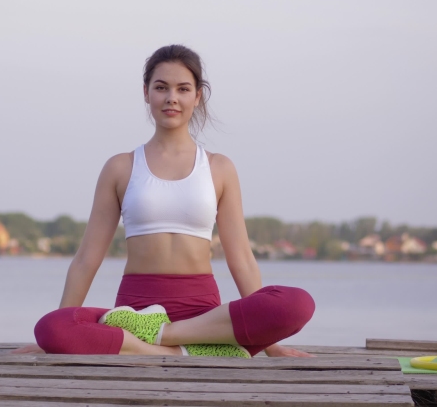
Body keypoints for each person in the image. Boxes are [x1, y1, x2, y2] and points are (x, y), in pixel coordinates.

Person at [16, 45, 315, 357]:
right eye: (161, 88)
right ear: (146, 93)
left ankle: (162, 337)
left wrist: (271, 344)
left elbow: (241, 258)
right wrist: (57, 329)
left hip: (205, 319)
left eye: (183, 89)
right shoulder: (120, 167)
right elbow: (86, 259)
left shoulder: (219, 168)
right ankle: (184, 352)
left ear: (197, 96)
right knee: (52, 328)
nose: (172, 97)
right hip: (134, 315)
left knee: (297, 303)